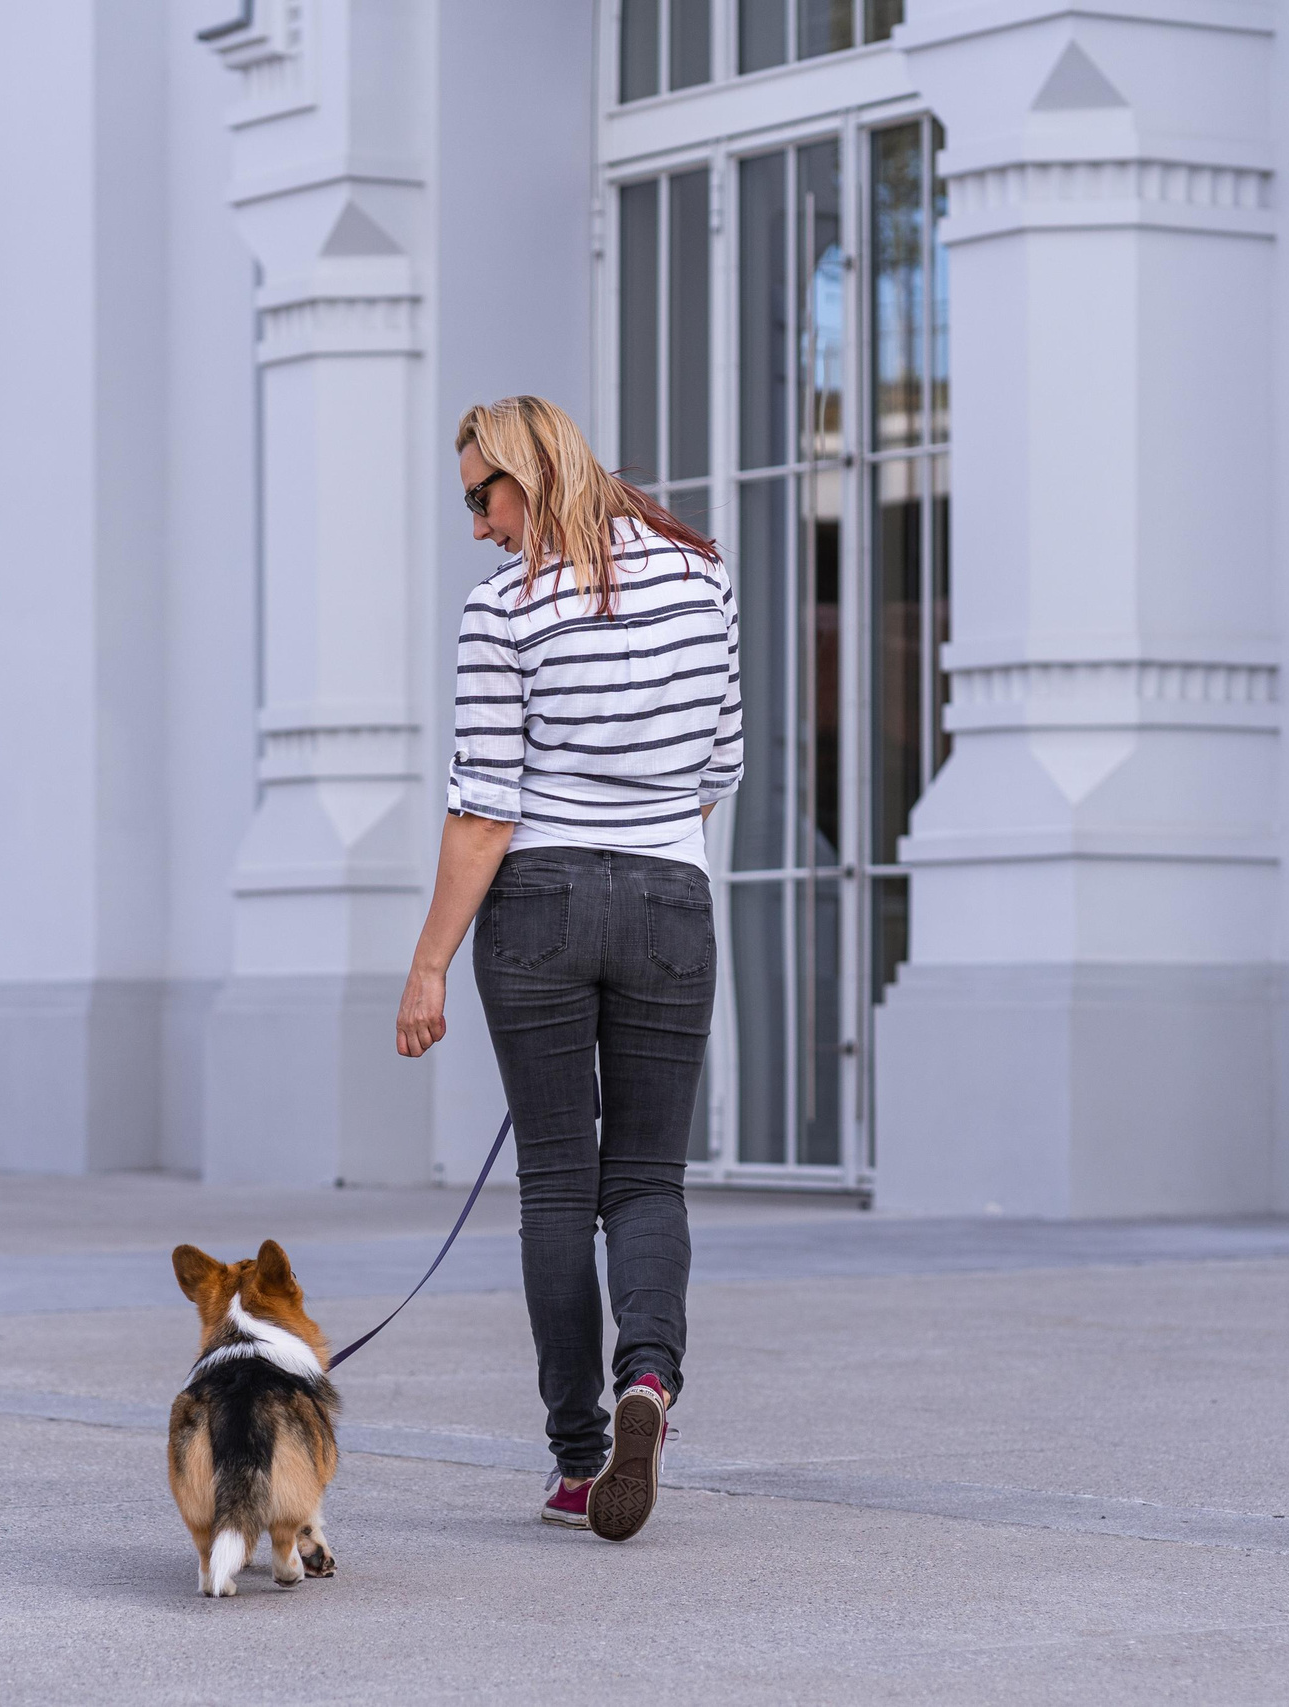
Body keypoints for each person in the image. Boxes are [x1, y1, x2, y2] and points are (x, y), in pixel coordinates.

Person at [394, 395, 741, 1543]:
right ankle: (651, 1380)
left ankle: (579, 1460)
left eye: (481, 498)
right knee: (646, 1177)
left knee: (556, 1181)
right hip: (668, 901)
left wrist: (429, 964)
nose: (479, 528)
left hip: (537, 901)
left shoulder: (503, 612)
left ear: (529, 477)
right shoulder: (703, 579)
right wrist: (644, 850)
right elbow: (717, 766)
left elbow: (484, 813)